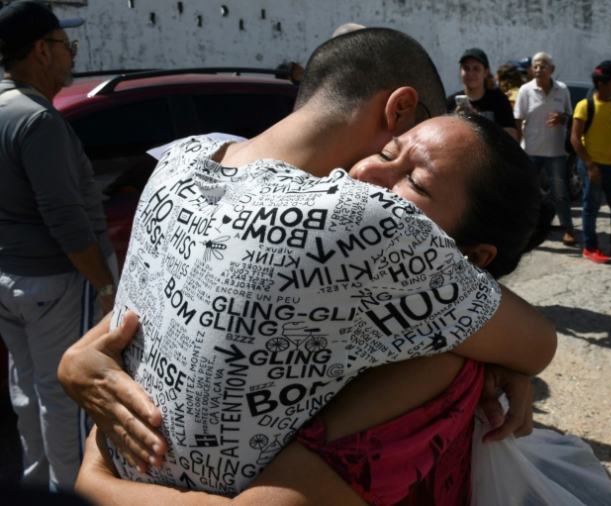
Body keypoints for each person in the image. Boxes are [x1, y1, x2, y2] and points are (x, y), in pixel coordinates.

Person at [60, 28, 556, 499]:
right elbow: (536, 343)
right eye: (389, 150)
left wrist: (81, 387)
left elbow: (173, 308)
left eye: (415, 179)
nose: (366, 174)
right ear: (401, 109)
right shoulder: (372, 221)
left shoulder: (181, 160)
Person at [0, 0, 119, 490]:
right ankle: (69, 491)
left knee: (28, 391)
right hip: (56, 281)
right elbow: (66, 219)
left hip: (12, 278)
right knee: (66, 398)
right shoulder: (37, 121)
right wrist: (104, 282)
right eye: (65, 46)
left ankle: (37, 483)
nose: (71, 55)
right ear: (40, 52)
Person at [571, 60, 611, 264]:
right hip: (593, 166)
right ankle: (590, 247)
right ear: (601, 84)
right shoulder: (585, 105)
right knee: (591, 207)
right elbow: (575, 138)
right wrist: (590, 166)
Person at [513, 51, 576, 246]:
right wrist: (517, 148)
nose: (539, 70)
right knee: (527, 193)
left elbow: (570, 116)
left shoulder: (562, 90)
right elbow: (518, 120)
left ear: (552, 69)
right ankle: (524, 231)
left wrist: (562, 118)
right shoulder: (525, 90)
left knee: (560, 193)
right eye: (536, 66)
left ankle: (568, 229)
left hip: (556, 153)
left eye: (543, 66)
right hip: (531, 151)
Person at [446, 48, 517, 139]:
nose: (471, 73)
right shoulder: (451, 102)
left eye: (476, 68)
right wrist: (455, 121)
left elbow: (512, 138)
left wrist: (479, 121)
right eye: (466, 68)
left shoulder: (499, 100)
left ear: (486, 72)